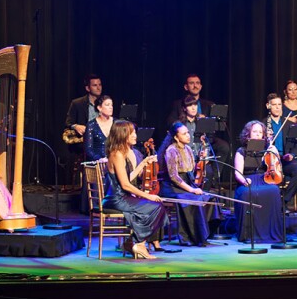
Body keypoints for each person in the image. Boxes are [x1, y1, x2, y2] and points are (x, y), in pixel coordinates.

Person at [103, 120, 168, 259]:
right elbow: (125, 185)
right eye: (132, 133)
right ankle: (139, 243)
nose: (135, 136)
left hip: (121, 197)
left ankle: (132, 242)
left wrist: (143, 163)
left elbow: (128, 177)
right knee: (156, 207)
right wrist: (147, 196)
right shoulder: (117, 154)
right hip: (117, 198)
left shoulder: (120, 153)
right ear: (122, 134)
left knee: (157, 207)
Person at [157, 122, 219, 247]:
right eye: (184, 133)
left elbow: (191, 170)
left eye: (188, 133)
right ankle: (190, 237)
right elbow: (174, 177)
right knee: (193, 199)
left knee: (210, 197)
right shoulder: (171, 150)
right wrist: (191, 190)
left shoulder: (189, 149)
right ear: (176, 137)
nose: (188, 135)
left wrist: (201, 160)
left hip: (187, 183)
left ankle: (203, 234)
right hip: (172, 187)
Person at [166, 74, 231, 184]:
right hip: (187, 134)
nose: (195, 86)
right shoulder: (178, 104)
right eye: (191, 83)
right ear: (186, 87)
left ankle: (213, 178)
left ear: (201, 86)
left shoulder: (209, 104)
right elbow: (170, 122)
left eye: (197, 83)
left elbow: (217, 125)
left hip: (205, 135)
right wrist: (182, 122)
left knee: (224, 147)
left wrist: (206, 120)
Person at [232, 120, 285, 243]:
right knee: (245, 193)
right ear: (248, 134)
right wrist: (243, 180)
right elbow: (237, 172)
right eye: (254, 131)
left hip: (264, 179)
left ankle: (271, 232)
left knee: (274, 190)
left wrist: (275, 152)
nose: (257, 134)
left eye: (260, 132)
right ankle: (248, 235)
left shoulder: (268, 149)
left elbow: (277, 166)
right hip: (248, 180)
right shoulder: (241, 151)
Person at [265, 93, 297, 206]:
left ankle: (284, 200)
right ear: (268, 106)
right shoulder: (263, 124)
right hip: (269, 161)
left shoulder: (288, 123)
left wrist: (292, 155)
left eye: (279, 104)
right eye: (274, 105)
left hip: (285, 159)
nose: (278, 107)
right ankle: (271, 203)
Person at [65, 74, 103, 141]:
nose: (98, 88)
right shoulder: (77, 103)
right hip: (84, 144)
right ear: (88, 88)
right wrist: (76, 126)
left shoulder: (105, 103)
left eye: (100, 85)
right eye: (95, 85)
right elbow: (68, 123)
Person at [84, 95, 114, 162]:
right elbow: (88, 149)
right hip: (98, 164)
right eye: (107, 105)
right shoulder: (91, 125)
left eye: (111, 105)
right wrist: (100, 159)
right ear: (99, 108)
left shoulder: (116, 123)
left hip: (115, 161)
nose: (110, 107)